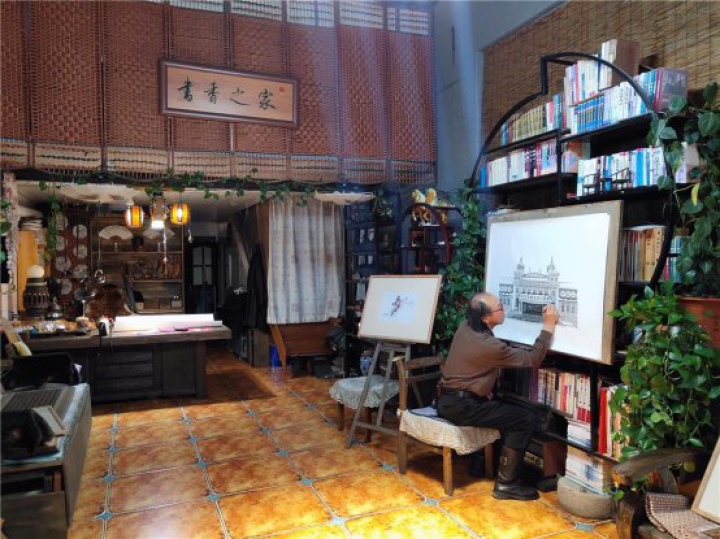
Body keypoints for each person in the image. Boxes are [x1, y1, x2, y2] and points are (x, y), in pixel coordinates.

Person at [437, 291, 560, 501]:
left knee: (502, 403)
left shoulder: (465, 327)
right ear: (486, 317)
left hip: (447, 400)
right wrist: (548, 325)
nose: (504, 309)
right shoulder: (489, 346)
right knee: (525, 418)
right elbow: (533, 359)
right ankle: (506, 484)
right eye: (500, 307)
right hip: (463, 407)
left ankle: (479, 464)